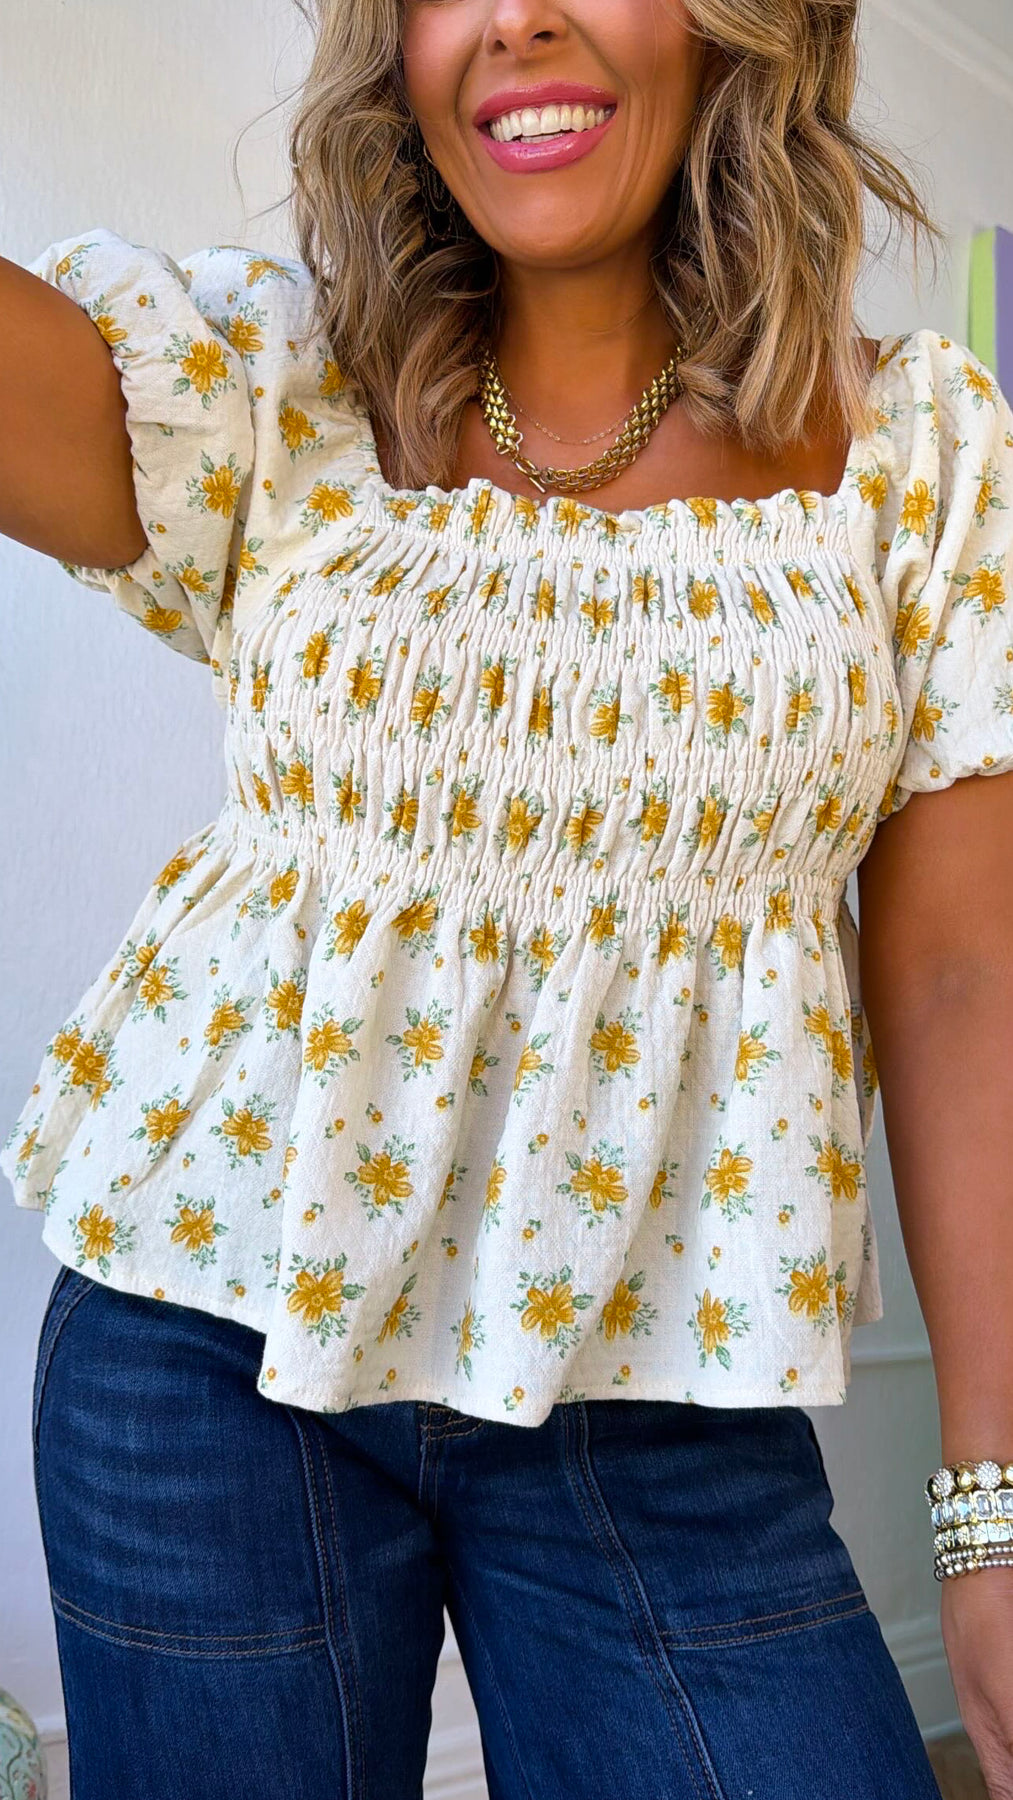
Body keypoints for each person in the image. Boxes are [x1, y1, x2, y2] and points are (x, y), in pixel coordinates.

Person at [2, 0, 1012, 1794]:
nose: (519, 18)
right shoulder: (274, 391)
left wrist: (991, 1516)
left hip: (668, 1403)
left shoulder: (917, 451)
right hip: (209, 1347)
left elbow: (959, 985)